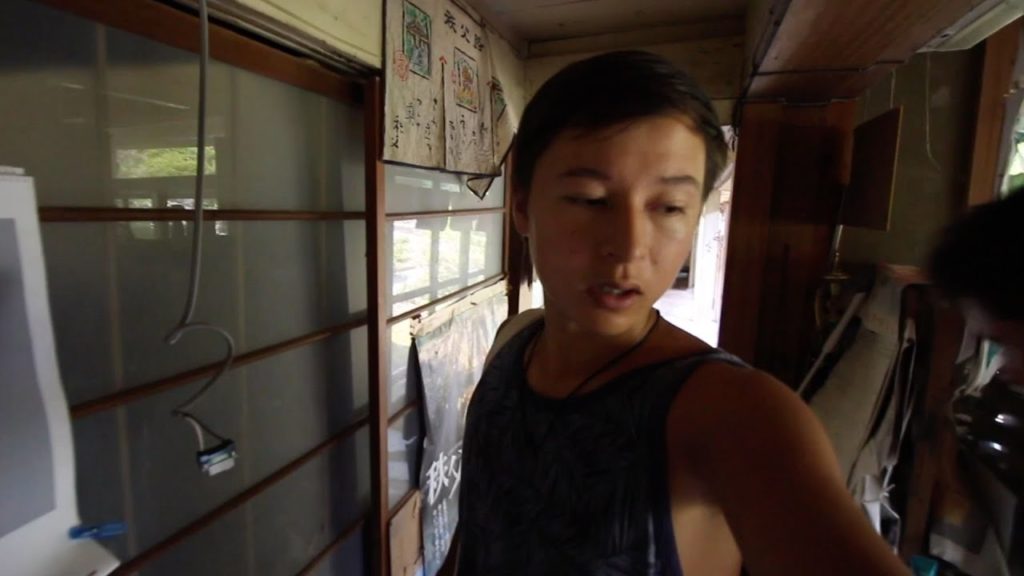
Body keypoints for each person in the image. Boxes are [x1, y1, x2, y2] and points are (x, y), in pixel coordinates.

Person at [442, 51, 910, 576]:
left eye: (668, 208)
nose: (629, 248)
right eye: (591, 199)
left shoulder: (734, 413)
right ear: (523, 205)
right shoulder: (513, 342)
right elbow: (481, 524)